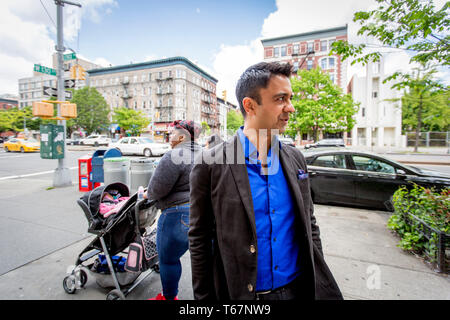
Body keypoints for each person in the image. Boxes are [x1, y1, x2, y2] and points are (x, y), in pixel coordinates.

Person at [188, 62, 343, 300]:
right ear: (250, 105)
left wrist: (317, 279)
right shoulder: (210, 164)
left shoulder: (296, 159)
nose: (290, 108)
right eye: (280, 99)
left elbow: (309, 225)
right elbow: (200, 239)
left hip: (297, 290)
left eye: (290, 98)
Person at [145, 120, 202, 300]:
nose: (169, 137)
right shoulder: (206, 154)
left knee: (169, 260)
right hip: (203, 214)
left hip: (177, 216)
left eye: (172, 134)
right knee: (204, 261)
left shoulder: (173, 156)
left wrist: (145, 194)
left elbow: (156, 191)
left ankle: (169, 297)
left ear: (181, 136)